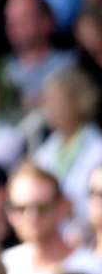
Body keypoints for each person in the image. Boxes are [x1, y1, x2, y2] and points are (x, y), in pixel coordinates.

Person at [1, 163, 102, 274]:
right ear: (9, 213)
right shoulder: (6, 265)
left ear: (63, 206)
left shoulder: (92, 269)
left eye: (42, 207)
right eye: (20, 208)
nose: (32, 216)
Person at [32, 66, 102, 229]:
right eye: (46, 101)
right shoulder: (46, 149)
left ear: (78, 102)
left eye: (56, 101)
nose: (49, 109)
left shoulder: (97, 147)